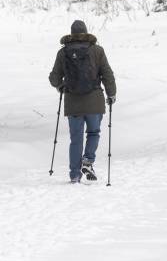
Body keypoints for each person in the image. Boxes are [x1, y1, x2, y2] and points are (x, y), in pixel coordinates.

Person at [49, 19, 117, 182]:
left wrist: (60, 86)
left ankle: (74, 175)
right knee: (93, 133)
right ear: (86, 32)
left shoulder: (63, 52)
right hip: (94, 100)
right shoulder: (97, 50)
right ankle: (87, 161)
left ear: (71, 34)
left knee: (76, 139)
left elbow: (54, 77)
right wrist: (111, 94)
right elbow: (107, 74)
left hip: (73, 103)